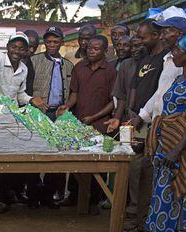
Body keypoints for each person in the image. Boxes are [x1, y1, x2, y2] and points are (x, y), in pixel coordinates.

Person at [125, 17, 186, 231]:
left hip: (179, 144)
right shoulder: (172, 66)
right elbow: (160, 95)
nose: (163, 36)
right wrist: (143, 116)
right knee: (159, 187)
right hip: (164, 138)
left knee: (176, 190)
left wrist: (177, 149)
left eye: (167, 32)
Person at [0, 32, 48, 214]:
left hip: (12, 118)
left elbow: (20, 94)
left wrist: (31, 99)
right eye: (14, 47)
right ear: (8, 47)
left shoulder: (24, 69)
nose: (16, 51)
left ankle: (7, 196)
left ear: (26, 51)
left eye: (21, 48)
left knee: (10, 158)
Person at [56, 35, 117, 214]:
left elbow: (113, 102)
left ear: (105, 51)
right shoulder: (79, 67)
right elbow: (74, 94)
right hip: (79, 123)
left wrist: (94, 117)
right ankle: (74, 197)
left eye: (96, 48)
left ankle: (93, 202)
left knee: (97, 166)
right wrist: (66, 106)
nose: (91, 50)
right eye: (89, 47)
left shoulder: (111, 71)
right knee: (77, 162)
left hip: (100, 124)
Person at [145, 29, 186, 232]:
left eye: (177, 49)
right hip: (166, 145)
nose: (173, 53)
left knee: (178, 191)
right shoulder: (179, 79)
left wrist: (176, 151)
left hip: (181, 148)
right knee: (162, 190)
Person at [28, 26, 75, 208]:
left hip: (58, 114)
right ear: (44, 43)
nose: (52, 45)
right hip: (38, 113)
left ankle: (48, 196)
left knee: (56, 156)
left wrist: (66, 106)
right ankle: (32, 196)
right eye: (49, 41)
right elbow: (26, 87)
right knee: (34, 155)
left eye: (56, 41)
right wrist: (34, 100)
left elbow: (71, 91)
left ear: (61, 43)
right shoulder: (34, 61)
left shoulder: (68, 65)